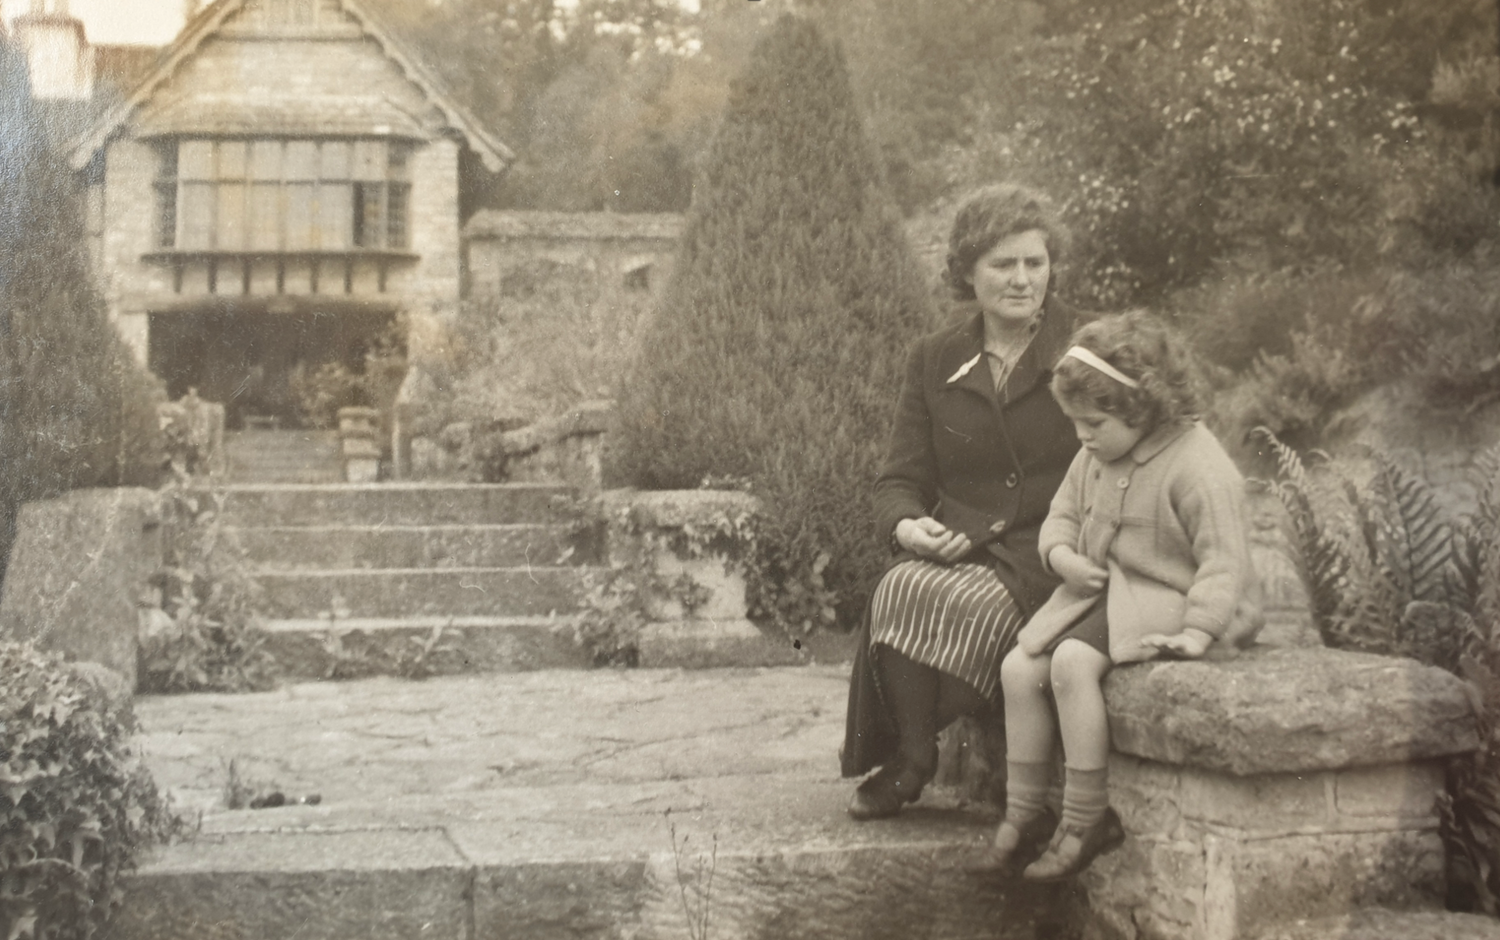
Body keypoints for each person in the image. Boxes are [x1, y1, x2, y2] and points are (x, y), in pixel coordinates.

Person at [973, 310, 1263, 880]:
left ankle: (1086, 820)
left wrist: (1197, 631)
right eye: (1076, 422)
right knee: (1017, 667)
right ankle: (1026, 810)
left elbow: (1225, 562)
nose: (1081, 436)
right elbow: (1060, 515)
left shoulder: (1198, 465)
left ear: (1143, 408)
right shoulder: (1096, 453)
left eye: (1094, 423)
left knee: (1073, 663)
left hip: (1179, 596)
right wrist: (1063, 558)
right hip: (1110, 591)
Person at [841, 184, 1084, 820]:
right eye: (1002, 264)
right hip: (960, 540)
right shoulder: (934, 359)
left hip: (1044, 549)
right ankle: (917, 756)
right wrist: (907, 527)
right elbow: (899, 476)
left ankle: (909, 759)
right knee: (898, 588)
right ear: (967, 273)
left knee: (972, 608)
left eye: (1035, 262)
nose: (1022, 279)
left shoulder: (1086, 351)